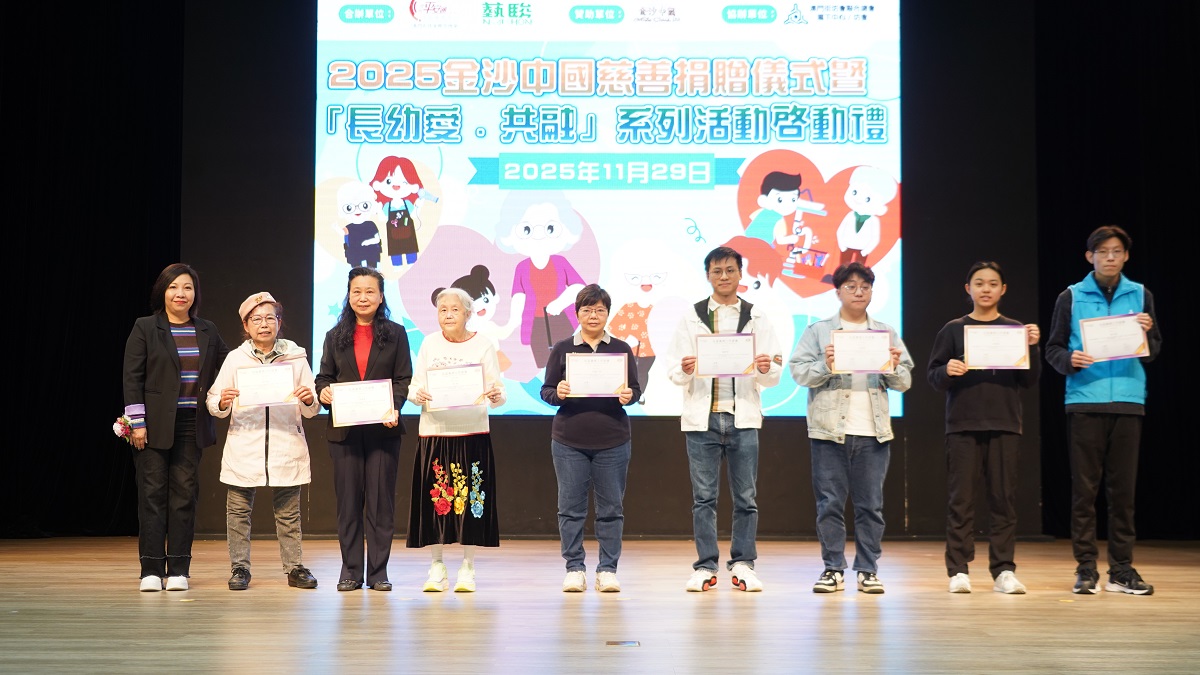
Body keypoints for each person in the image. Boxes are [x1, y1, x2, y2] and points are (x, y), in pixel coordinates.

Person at [1045, 225, 1161, 596]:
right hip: (1085, 400)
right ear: (1089, 256)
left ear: (1126, 256)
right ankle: (1086, 569)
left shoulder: (1140, 294)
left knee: (1123, 493)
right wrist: (1070, 360)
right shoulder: (1071, 296)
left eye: (1116, 251)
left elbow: (1153, 351)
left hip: (1128, 401)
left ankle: (1121, 570)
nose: (1110, 257)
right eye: (1102, 251)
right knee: (1084, 492)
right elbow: (1053, 349)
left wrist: (1147, 332)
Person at [789, 262, 913, 595]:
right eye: (851, 287)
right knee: (829, 504)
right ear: (838, 292)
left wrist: (892, 365)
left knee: (870, 506)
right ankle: (833, 569)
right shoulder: (818, 331)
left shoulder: (885, 332)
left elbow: (905, 381)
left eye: (865, 287)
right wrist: (826, 365)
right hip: (829, 431)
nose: (859, 292)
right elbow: (799, 373)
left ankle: (867, 570)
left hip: (873, 432)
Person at [667, 246, 782, 592]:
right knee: (703, 499)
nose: (724, 276)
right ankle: (705, 566)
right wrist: (686, 369)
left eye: (730, 270)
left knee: (746, 498)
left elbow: (774, 373)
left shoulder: (756, 316)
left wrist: (765, 368)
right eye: (717, 271)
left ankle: (744, 563)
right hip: (702, 420)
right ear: (708, 275)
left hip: (742, 417)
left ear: (740, 274)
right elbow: (673, 370)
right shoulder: (692, 317)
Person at [927, 262, 1041, 594]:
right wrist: (948, 370)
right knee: (960, 501)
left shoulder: (1015, 330)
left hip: (1005, 423)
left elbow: (1029, 380)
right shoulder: (953, 330)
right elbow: (934, 377)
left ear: (1003, 289)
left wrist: (1032, 347)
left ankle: (1003, 570)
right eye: (979, 283)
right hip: (963, 424)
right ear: (969, 289)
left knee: (1003, 499)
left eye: (993, 283)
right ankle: (958, 570)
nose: (986, 289)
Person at [122, 263, 230, 592]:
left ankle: (180, 569)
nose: (180, 294)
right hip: (151, 426)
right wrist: (137, 423)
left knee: (184, 497)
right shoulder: (145, 327)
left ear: (195, 294)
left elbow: (231, 366)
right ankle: (151, 570)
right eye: (173, 287)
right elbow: (132, 378)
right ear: (163, 291)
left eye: (187, 287)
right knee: (152, 496)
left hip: (191, 424)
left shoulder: (207, 330)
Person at [206, 292, 321, 591]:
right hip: (245, 445)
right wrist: (223, 401)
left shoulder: (295, 357)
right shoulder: (235, 359)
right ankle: (239, 568)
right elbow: (213, 400)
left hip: (285, 444)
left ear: (279, 322)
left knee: (289, 514)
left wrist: (309, 399)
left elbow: (312, 407)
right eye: (256, 319)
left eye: (270, 317)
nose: (264, 324)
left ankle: (294, 568)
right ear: (246, 326)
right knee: (238, 512)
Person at [315, 267, 412, 592]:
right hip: (345, 433)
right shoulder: (334, 335)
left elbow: (403, 378)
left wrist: (394, 406)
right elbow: (324, 377)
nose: (363, 297)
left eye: (370, 291)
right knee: (348, 505)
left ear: (381, 296)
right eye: (356, 291)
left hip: (384, 431)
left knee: (381, 504)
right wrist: (324, 393)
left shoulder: (396, 334)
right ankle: (351, 571)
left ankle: (379, 572)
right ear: (348, 295)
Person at [541, 284, 641, 593]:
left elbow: (636, 390)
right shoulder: (562, 348)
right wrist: (558, 393)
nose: (593, 315)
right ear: (577, 313)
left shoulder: (621, 349)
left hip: (613, 440)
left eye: (599, 310)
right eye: (587, 309)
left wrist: (629, 396)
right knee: (570, 509)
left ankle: (607, 570)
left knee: (611, 509)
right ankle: (574, 568)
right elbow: (546, 391)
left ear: (608, 314)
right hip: (569, 440)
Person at [407, 287, 505, 592]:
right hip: (435, 432)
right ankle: (436, 566)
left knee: (472, 502)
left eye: (454, 309)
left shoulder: (483, 345)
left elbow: (499, 393)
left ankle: (467, 566)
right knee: (436, 502)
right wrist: (417, 395)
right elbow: (414, 389)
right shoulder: (429, 343)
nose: (448, 315)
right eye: (442, 310)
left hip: (472, 433)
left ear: (468, 313)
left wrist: (495, 396)